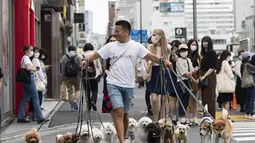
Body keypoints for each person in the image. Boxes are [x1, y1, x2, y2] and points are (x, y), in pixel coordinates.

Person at [80, 20, 172, 143]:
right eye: (115, 31)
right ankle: (122, 141)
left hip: (128, 85)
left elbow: (150, 56)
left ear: (126, 32)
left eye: (117, 31)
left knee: (125, 114)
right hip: (113, 83)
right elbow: (96, 55)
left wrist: (163, 61)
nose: (115, 33)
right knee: (119, 112)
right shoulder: (110, 46)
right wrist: (86, 59)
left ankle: (121, 137)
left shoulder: (136, 46)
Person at [145, 29, 174, 122]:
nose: (153, 37)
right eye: (152, 35)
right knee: (154, 99)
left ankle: (164, 119)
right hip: (154, 71)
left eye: (155, 35)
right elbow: (145, 58)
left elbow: (175, 59)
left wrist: (173, 53)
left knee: (165, 98)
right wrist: (147, 66)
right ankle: (155, 120)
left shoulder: (168, 47)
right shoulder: (150, 47)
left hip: (164, 71)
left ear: (160, 36)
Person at [17, 45, 49, 124]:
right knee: (36, 99)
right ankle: (40, 118)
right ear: (27, 50)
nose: (32, 52)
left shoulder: (23, 58)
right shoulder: (26, 58)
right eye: (31, 50)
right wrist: (35, 69)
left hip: (25, 80)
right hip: (29, 79)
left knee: (25, 99)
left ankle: (20, 117)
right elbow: (28, 68)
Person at [175, 44, 197, 124]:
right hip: (181, 81)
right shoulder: (178, 60)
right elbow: (184, 73)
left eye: (185, 50)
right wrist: (191, 73)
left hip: (188, 81)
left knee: (187, 100)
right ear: (179, 52)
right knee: (181, 100)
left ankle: (184, 116)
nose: (184, 52)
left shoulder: (188, 60)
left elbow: (191, 71)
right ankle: (181, 117)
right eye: (182, 50)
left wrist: (193, 74)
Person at [200, 36, 217, 118]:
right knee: (204, 98)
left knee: (210, 98)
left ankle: (212, 117)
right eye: (203, 41)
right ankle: (205, 117)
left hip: (210, 77)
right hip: (203, 77)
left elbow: (213, 67)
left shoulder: (213, 53)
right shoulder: (202, 54)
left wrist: (204, 76)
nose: (204, 43)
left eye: (206, 41)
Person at [61, 46, 82, 112]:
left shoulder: (64, 57)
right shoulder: (78, 57)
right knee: (77, 89)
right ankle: (75, 100)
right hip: (76, 76)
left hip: (68, 76)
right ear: (75, 50)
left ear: (68, 50)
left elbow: (63, 68)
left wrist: (63, 78)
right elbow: (81, 67)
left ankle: (72, 106)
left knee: (70, 91)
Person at [83, 43, 102, 111]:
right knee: (95, 90)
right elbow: (98, 66)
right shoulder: (94, 54)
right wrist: (100, 74)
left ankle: (88, 107)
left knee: (87, 92)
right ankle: (93, 101)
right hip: (94, 76)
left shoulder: (82, 54)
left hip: (85, 77)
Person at [216, 50, 235, 118]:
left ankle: (223, 115)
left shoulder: (219, 62)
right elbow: (230, 73)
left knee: (222, 101)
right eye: (229, 56)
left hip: (221, 86)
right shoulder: (225, 62)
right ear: (227, 56)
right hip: (227, 86)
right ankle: (226, 116)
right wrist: (233, 76)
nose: (229, 58)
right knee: (227, 101)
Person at [187, 39, 201, 125]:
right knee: (188, 99)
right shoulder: (186, 55)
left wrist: (194, 72)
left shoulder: (198, 57)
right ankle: (189, 117)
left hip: (195, 78)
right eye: (192, 44)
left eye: (195, 44)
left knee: (195, 99)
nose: (194, 46)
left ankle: (195, 116)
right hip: (187, 77)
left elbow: (199, 67)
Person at [102, 35, 117, 113]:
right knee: (110, 103)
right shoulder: (105, 52)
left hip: (120, 79)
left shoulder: (121, 51)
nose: (113, 43)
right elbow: (104, 67)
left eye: (114, 41)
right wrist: (106, 71)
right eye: (111, 41)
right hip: (108, 78)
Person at [242, 53, 255, 119]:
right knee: (252, 98)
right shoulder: (250, 66)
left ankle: (247, 113)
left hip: (249, 83)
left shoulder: (245, 65)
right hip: (252, 83)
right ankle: (251, 113)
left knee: (249, 98)